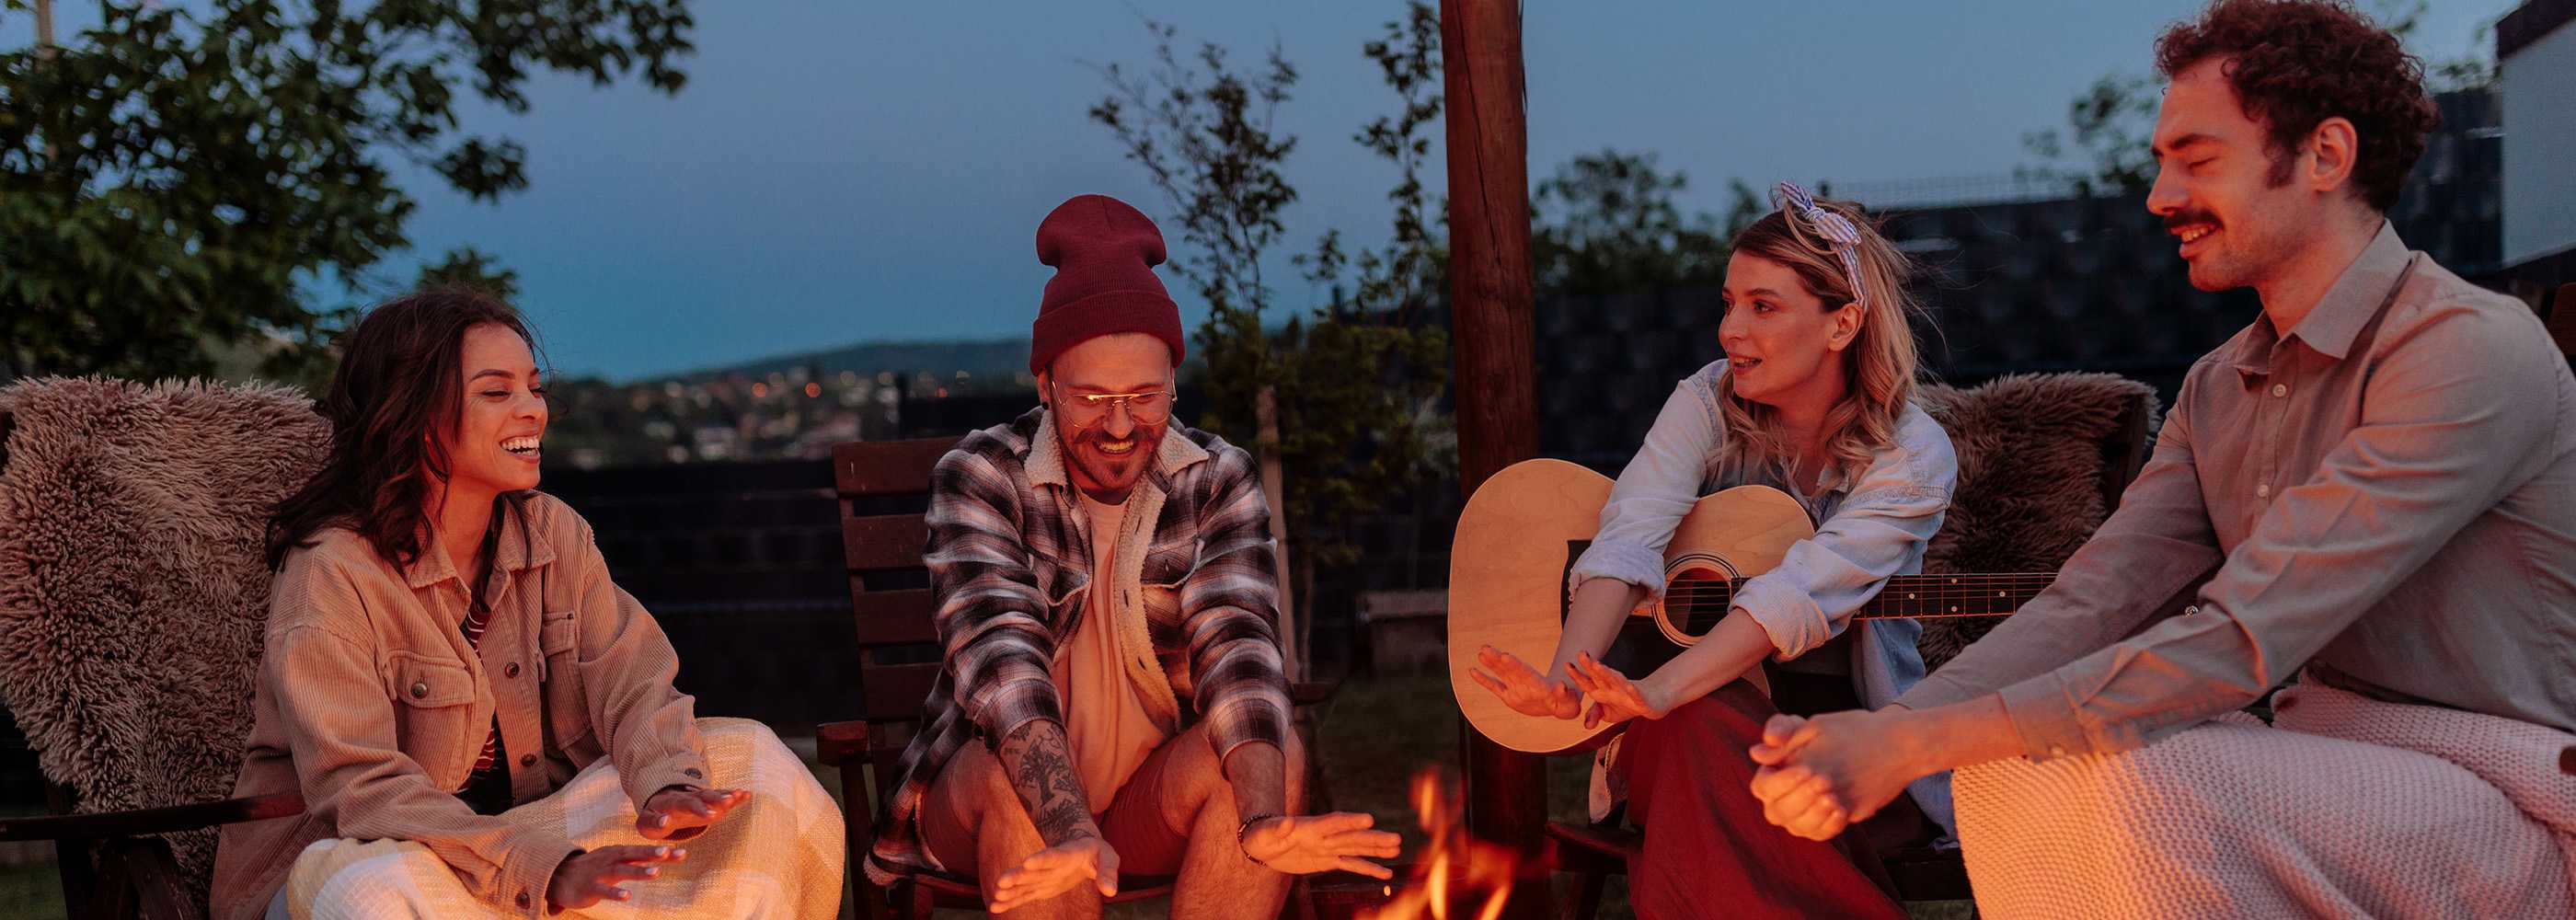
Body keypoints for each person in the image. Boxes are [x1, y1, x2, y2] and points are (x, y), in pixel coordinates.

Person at [1749, 3, 2576, 916]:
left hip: (2521, 796)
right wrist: (1900, 726)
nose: (2159, 196)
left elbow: (2242, 635)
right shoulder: (2218, 387)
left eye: (2198, 159)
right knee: (2003, 763)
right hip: (2336, 758)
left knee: (2149, 780)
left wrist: (1910, 745)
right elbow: (2094, 600)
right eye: (2160, 161)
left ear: (2324, 156)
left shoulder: (2465, 350)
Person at [211, 290, 844, 919]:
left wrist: (667, 786)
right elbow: (361, 791)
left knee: (752, 757)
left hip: (522, 838)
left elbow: (632, 681)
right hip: (355, 860)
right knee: (371, 887)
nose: (532, 411)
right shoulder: (332, 570)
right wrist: (545, 868)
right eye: (496, 391)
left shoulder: (553, 533)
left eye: (533, 388)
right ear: (414, 414)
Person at [864, 194, 1399, 918]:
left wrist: (1262, 817)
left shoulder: (1215, 479)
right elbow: (1001, 664)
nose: (1120, 425)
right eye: (1091, 397)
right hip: (983, 795)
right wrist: (1072, 828)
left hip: (1146, 797)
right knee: (1012, 785)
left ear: (1174, 382)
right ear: (1045, 385)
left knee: (1270, 754)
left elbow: (1238, 646)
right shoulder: (983, 476)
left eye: (1144, 396)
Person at [1468, 182, 1953, 919]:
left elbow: (1797, 594)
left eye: (1763, 307)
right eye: (1728, 304)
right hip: (1672, 724)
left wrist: (1664, 692)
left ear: (1842, 324)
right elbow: (1629, 537)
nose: (1730, 330)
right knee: (1697, 728)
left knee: (1699, 748)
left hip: (1840, 737)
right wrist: (1568, 678)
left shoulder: (1912, 455)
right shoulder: (1705, 402)